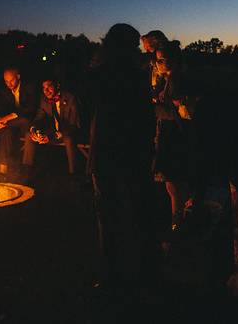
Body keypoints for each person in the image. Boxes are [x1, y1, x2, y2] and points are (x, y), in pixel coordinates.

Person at [86, 23, 158, 292]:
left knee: (109, 216)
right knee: (138, 213)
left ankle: (112, 275)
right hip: (130, 154)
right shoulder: (133, 76)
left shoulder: (100, 75)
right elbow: (145, 118)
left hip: (109, 154)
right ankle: (144, 272)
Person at [152, 41, 197, 233]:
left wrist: (154, 107)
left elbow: (180, 112)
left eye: (163, 60)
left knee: (174, 184)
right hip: (171, 133)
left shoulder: (177, 80)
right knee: (175, 184)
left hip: (175, 136)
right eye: (157, 60)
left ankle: (178, 225)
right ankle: (182, 221)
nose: (159, 63)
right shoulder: (169, 79)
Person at [26, 76, 82, 177]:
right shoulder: (44, 99)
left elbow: (74, 125)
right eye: (43, 88)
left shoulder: (70, 98)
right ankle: (26, 170)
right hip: (52, 132)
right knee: (29, 136)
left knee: (69, 139)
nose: (46, 91)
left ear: (57, 85)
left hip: (69, 131)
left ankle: (74, 174)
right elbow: (40, 116)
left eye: (49, 87)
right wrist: (33, 128)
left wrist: (53, 136)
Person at [0, 67, 38, 179]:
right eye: (6, 81)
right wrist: (0, 118)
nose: (9, 84)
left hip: (29, 123)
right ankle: (3, 171)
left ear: (18, 77)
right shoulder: (4, 91)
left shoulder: (29, 88)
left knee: (26, 126)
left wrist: (7, 118)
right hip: (14, 126)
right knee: (6, 133)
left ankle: (26, 170)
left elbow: (30, 110)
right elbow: (1, 109)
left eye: (11, 80)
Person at [141, 30, 169, 100]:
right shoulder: (153, 58)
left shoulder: (162, 54)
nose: (147, 51)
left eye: (148, 47)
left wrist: (162, 91)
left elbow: (166, 75)